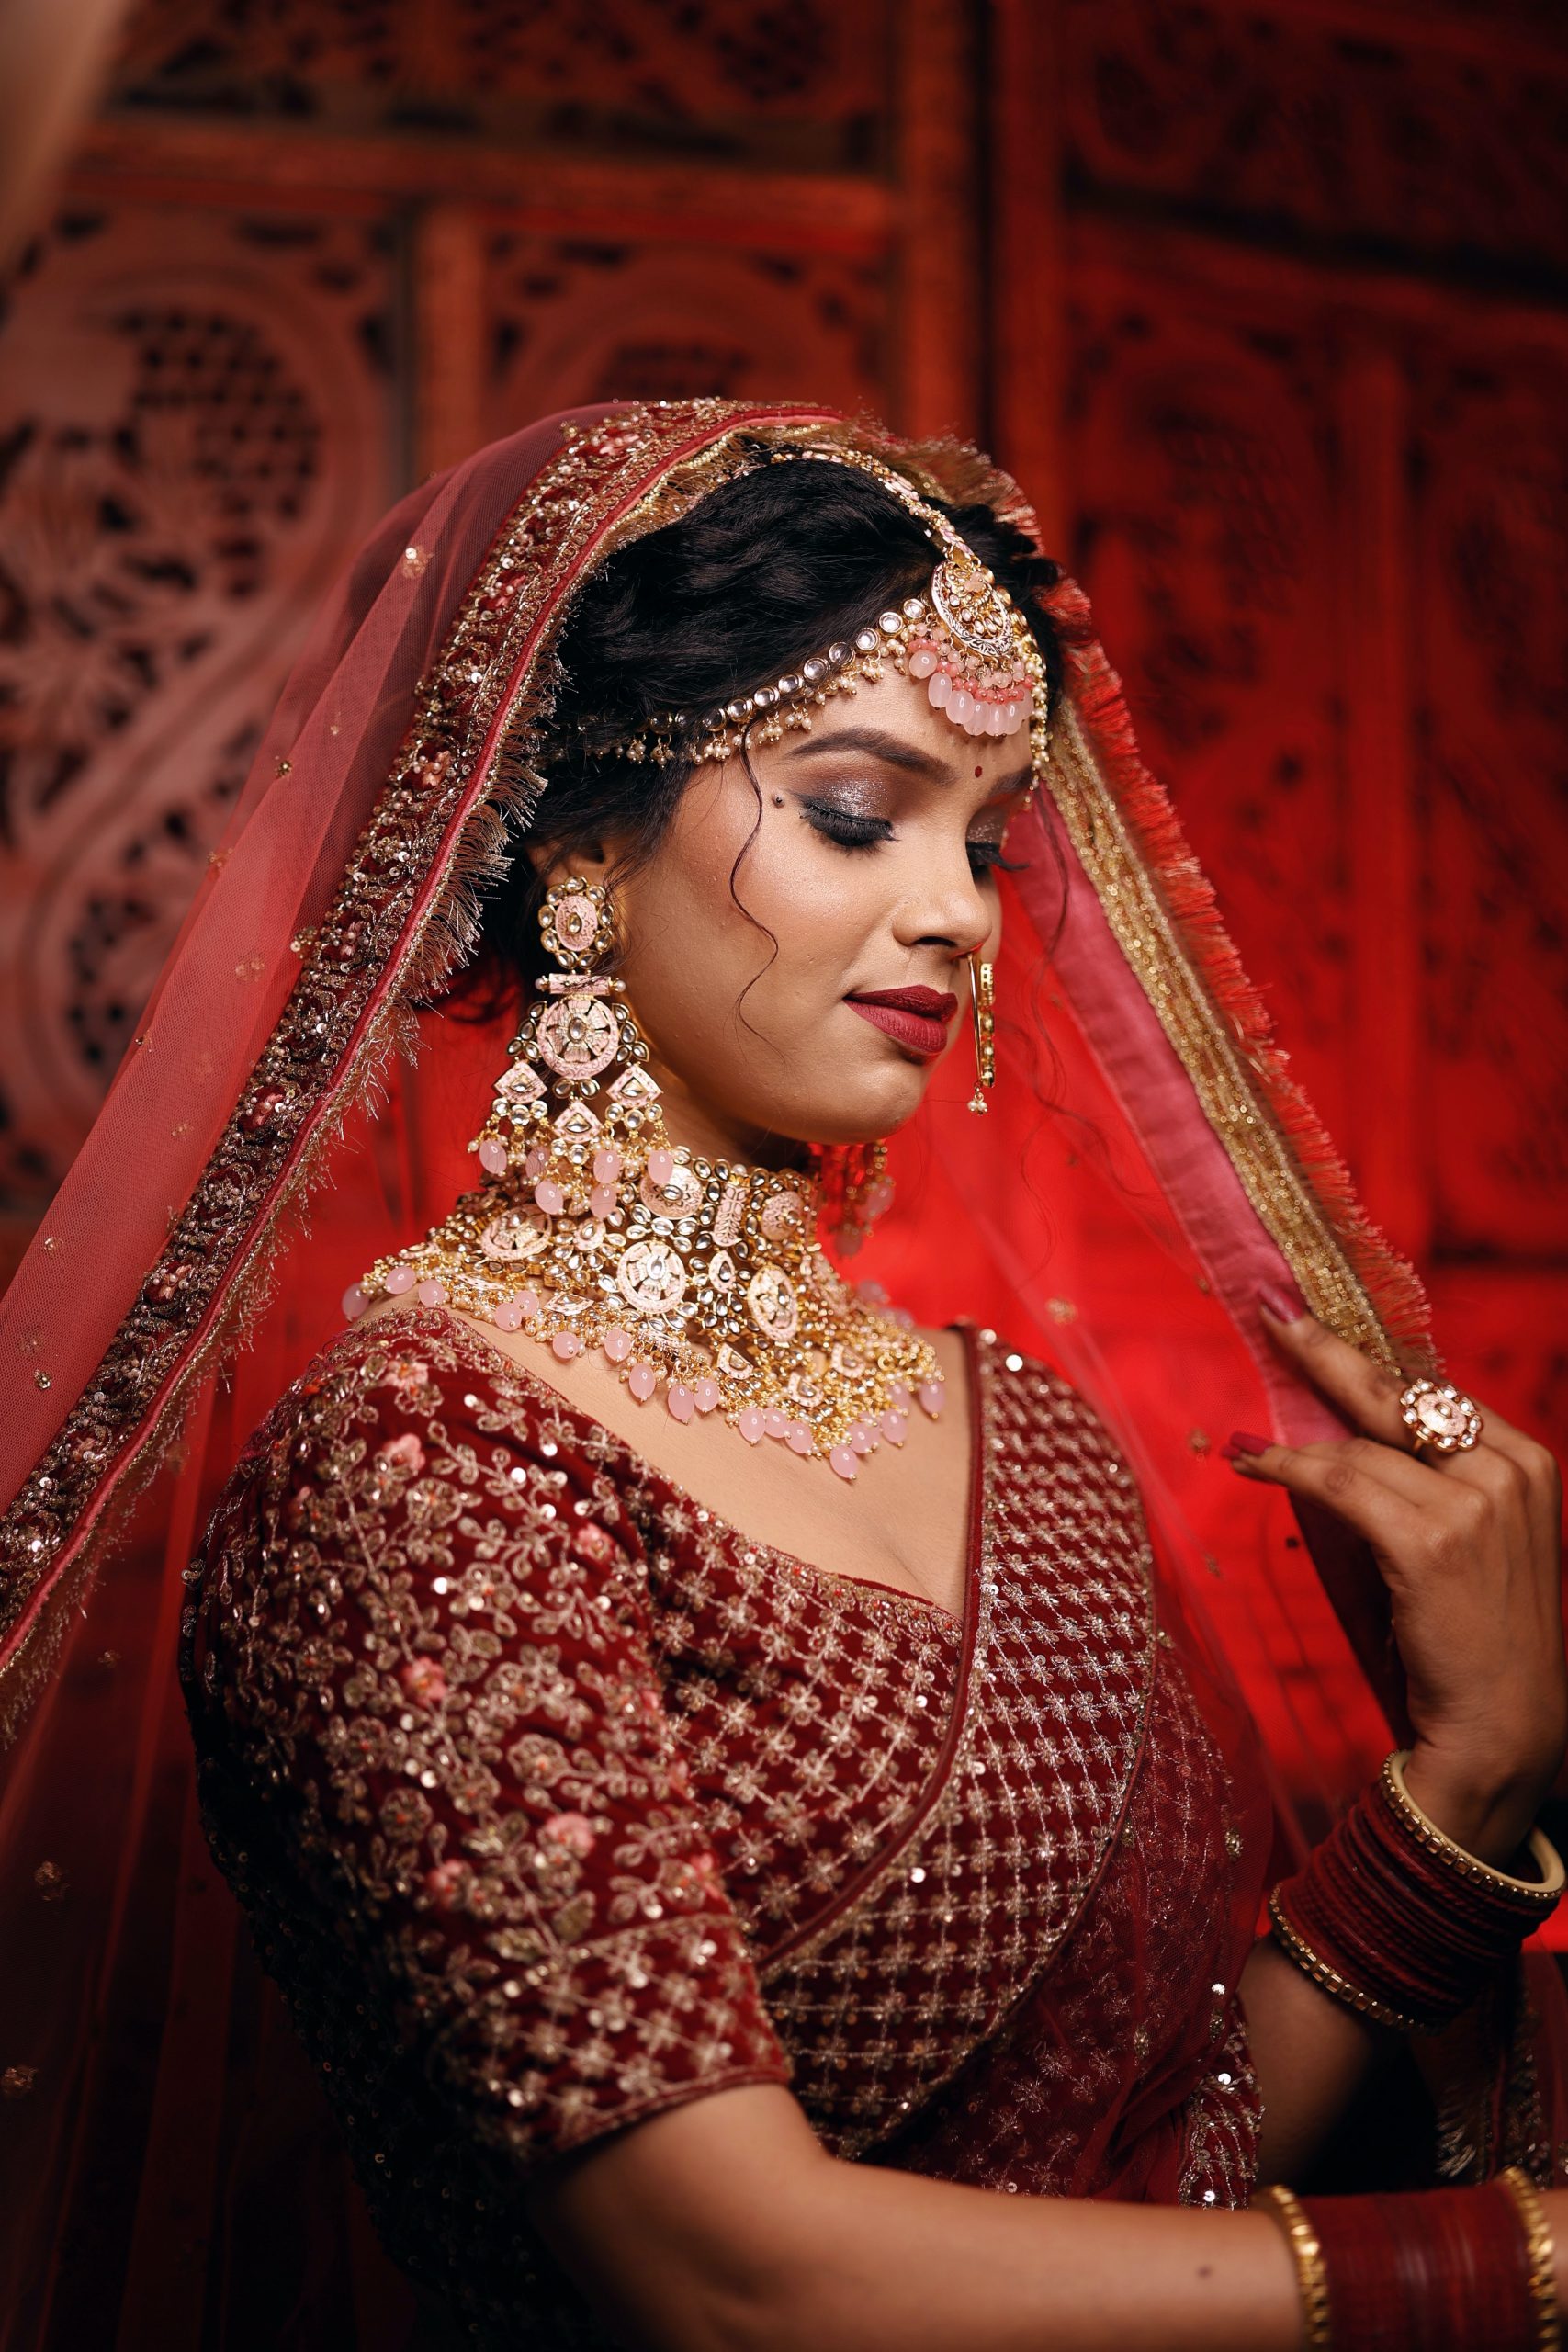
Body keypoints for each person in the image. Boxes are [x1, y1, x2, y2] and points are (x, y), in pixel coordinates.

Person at [2, 400, 1565, 2351]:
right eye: (855, 809)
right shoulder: (427, 1461)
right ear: (576, 835)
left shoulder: (1026, 1435)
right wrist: (1518, 2267)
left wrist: (1466, 1773)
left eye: (983, 836)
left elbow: (1169, 2169)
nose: (960, 911)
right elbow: (730, 2277)